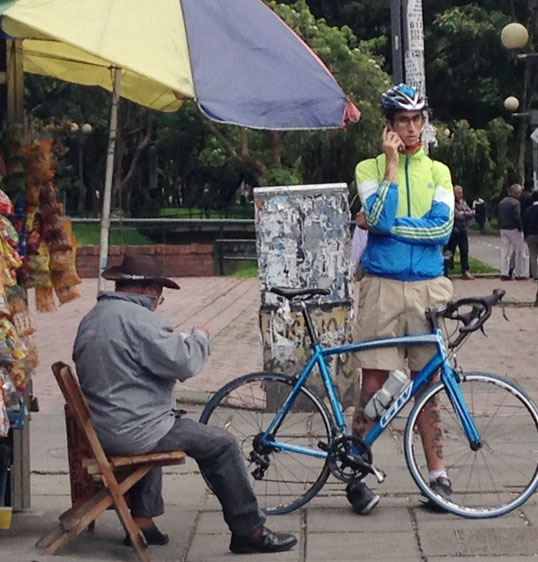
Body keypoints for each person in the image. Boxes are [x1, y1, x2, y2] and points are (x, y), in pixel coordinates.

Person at [72, 255, 297, 555]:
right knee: (222, 445)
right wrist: (199, 337)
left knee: (164, 423)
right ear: (148, 291)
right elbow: (185, 363)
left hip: (102, 428)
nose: (157, 303)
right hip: (132, 430)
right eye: (159, 298)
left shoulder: (94, 316)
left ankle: (142, 522)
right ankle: (249, 530)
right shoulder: (140, 320)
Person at [352, 83, 455, 514]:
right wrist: (392, 167)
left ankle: (438, 475)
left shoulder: (439, 172)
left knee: (428, 385)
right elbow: (376, 217)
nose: (411, 129)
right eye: (402, 121)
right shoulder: (369, 168)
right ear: (389, 126)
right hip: (382, 287)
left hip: (428, 287)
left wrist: (392, 227)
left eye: (417, 120)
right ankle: (354, 471)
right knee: (373, 383)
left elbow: (441, 230)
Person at [445, 185, 476, 280]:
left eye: (461, 193)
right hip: (453, 230)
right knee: (450, 251)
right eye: (459, 193)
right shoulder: (450, 202)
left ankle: (465, 271)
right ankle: (445, 272)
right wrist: (463, 214)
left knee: (465, 250)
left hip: (462, 229)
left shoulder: (463, 202)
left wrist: (464, 213)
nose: (461, 195)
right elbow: (456, 215)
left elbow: (472, 213)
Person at [498, 183, 526, 280]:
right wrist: (521, 228)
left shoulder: (502, 202)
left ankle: (504, 272)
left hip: (503, 228)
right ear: (517, 192)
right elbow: (517, 217)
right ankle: (519, 273)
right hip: (513, 229)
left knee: (505, 252)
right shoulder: (516, 203)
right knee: (519, 251)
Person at [522, 190, 538, 280]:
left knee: (533, 255)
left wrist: (526, 235)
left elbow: (524, 223)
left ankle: (533, 273)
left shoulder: (528, 210)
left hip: (530, 234)